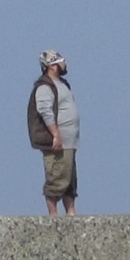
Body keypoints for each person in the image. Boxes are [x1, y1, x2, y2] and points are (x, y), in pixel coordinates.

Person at [28, 49, 79, 216]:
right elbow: (45, 111)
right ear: (53, 66)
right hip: (58, 141)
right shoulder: (44, 86)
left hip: (69, 141)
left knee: (69, 178)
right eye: (62, 61)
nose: (65, 64)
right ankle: (53, 216)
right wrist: (56, 135)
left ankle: (71, 213)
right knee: (56, 177)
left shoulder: (63, 84)